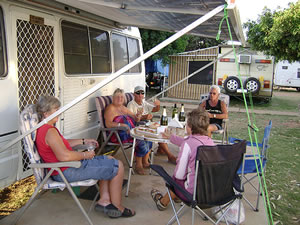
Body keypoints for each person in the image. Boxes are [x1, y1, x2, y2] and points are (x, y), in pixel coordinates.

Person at [35, 95, 135, 218]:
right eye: (56, 110)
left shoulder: (46, 128)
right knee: (118, 166)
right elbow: (64, 156)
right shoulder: (49, 131)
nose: (59, 112)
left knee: (110, 159)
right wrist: (85, 155)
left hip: (65, 168)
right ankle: (118, 206)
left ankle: (104, 200)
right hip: (66, 171)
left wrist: (83, 141)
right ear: (46, 113)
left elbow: (62, 144)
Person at [150, 108, 215, 210]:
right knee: (188, 174)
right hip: (210, 192)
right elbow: (191, 142)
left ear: (190, 127)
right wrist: (171, 137)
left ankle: (163, 202)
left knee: (175, 178)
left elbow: (179, 175)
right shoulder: (210, 142)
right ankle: (175, 197)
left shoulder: (188, 144)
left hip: (192, 194)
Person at [104, 88, 152, 175]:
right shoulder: (110, 108)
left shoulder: (123, 108)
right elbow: (108, 124)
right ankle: (139, 165)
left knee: (148, 136)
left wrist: (138, 116)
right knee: (140, 140)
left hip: (129, 132)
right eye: (117, 97)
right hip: (117, 134)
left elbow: (135, 118)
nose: (120, 99)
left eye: (121, 97)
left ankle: (145, 161)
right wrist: (121, 125)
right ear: (113, 98)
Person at [127, 86, 177, 164]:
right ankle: (169, 155)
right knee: (156, 133)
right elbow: (131, 119)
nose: (140, 95)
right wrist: (144, 117)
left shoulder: (144, 103)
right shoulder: (131, 104)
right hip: (138, 126)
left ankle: (163, 151)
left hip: (147, 124)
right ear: (134, 94)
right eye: (138, 93)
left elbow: (155, 109)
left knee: (161, 131)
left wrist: (158, 105)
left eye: (142, 93)